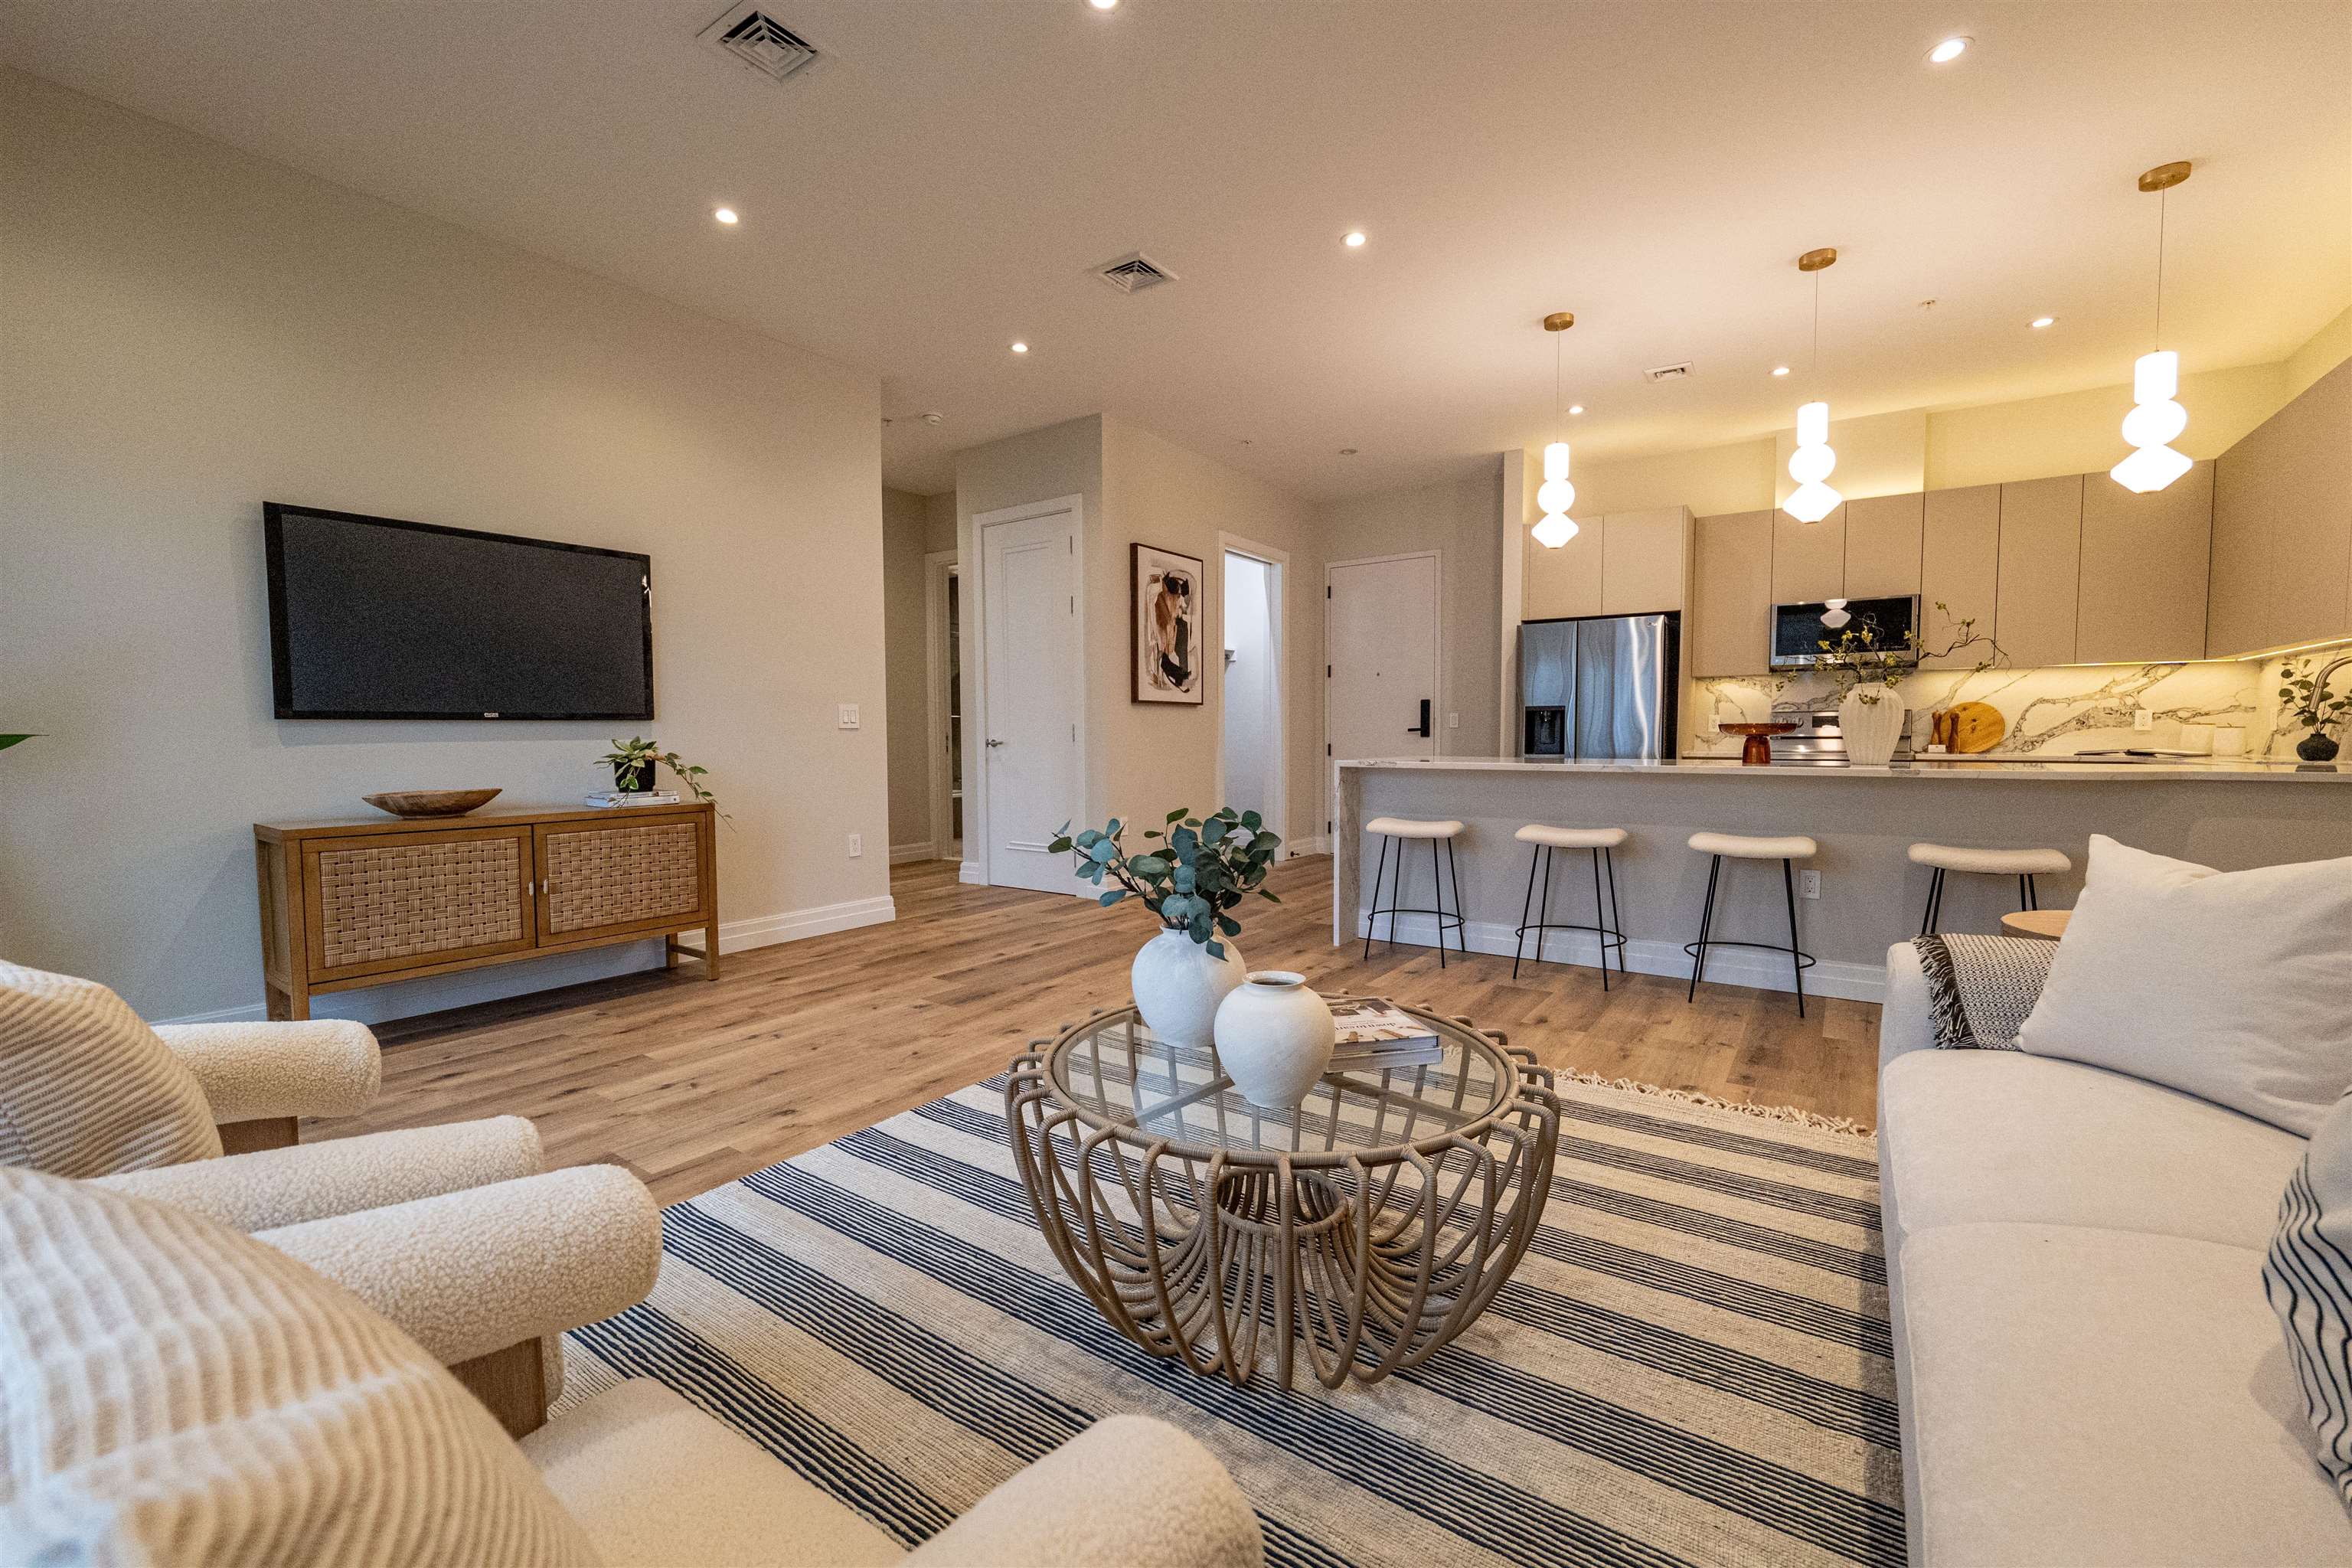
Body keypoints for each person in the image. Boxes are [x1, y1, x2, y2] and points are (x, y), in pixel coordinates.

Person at [1153, 570, 1194, 691]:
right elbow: (1167, 618)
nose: (1179, 597)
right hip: (1165, 628)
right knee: (1165, 653)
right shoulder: (1162, 598)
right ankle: (1177, 676)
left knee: (1176, 652)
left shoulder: (1175, 599)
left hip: (1172, 628)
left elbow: (1181, 611)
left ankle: (1179, 676)